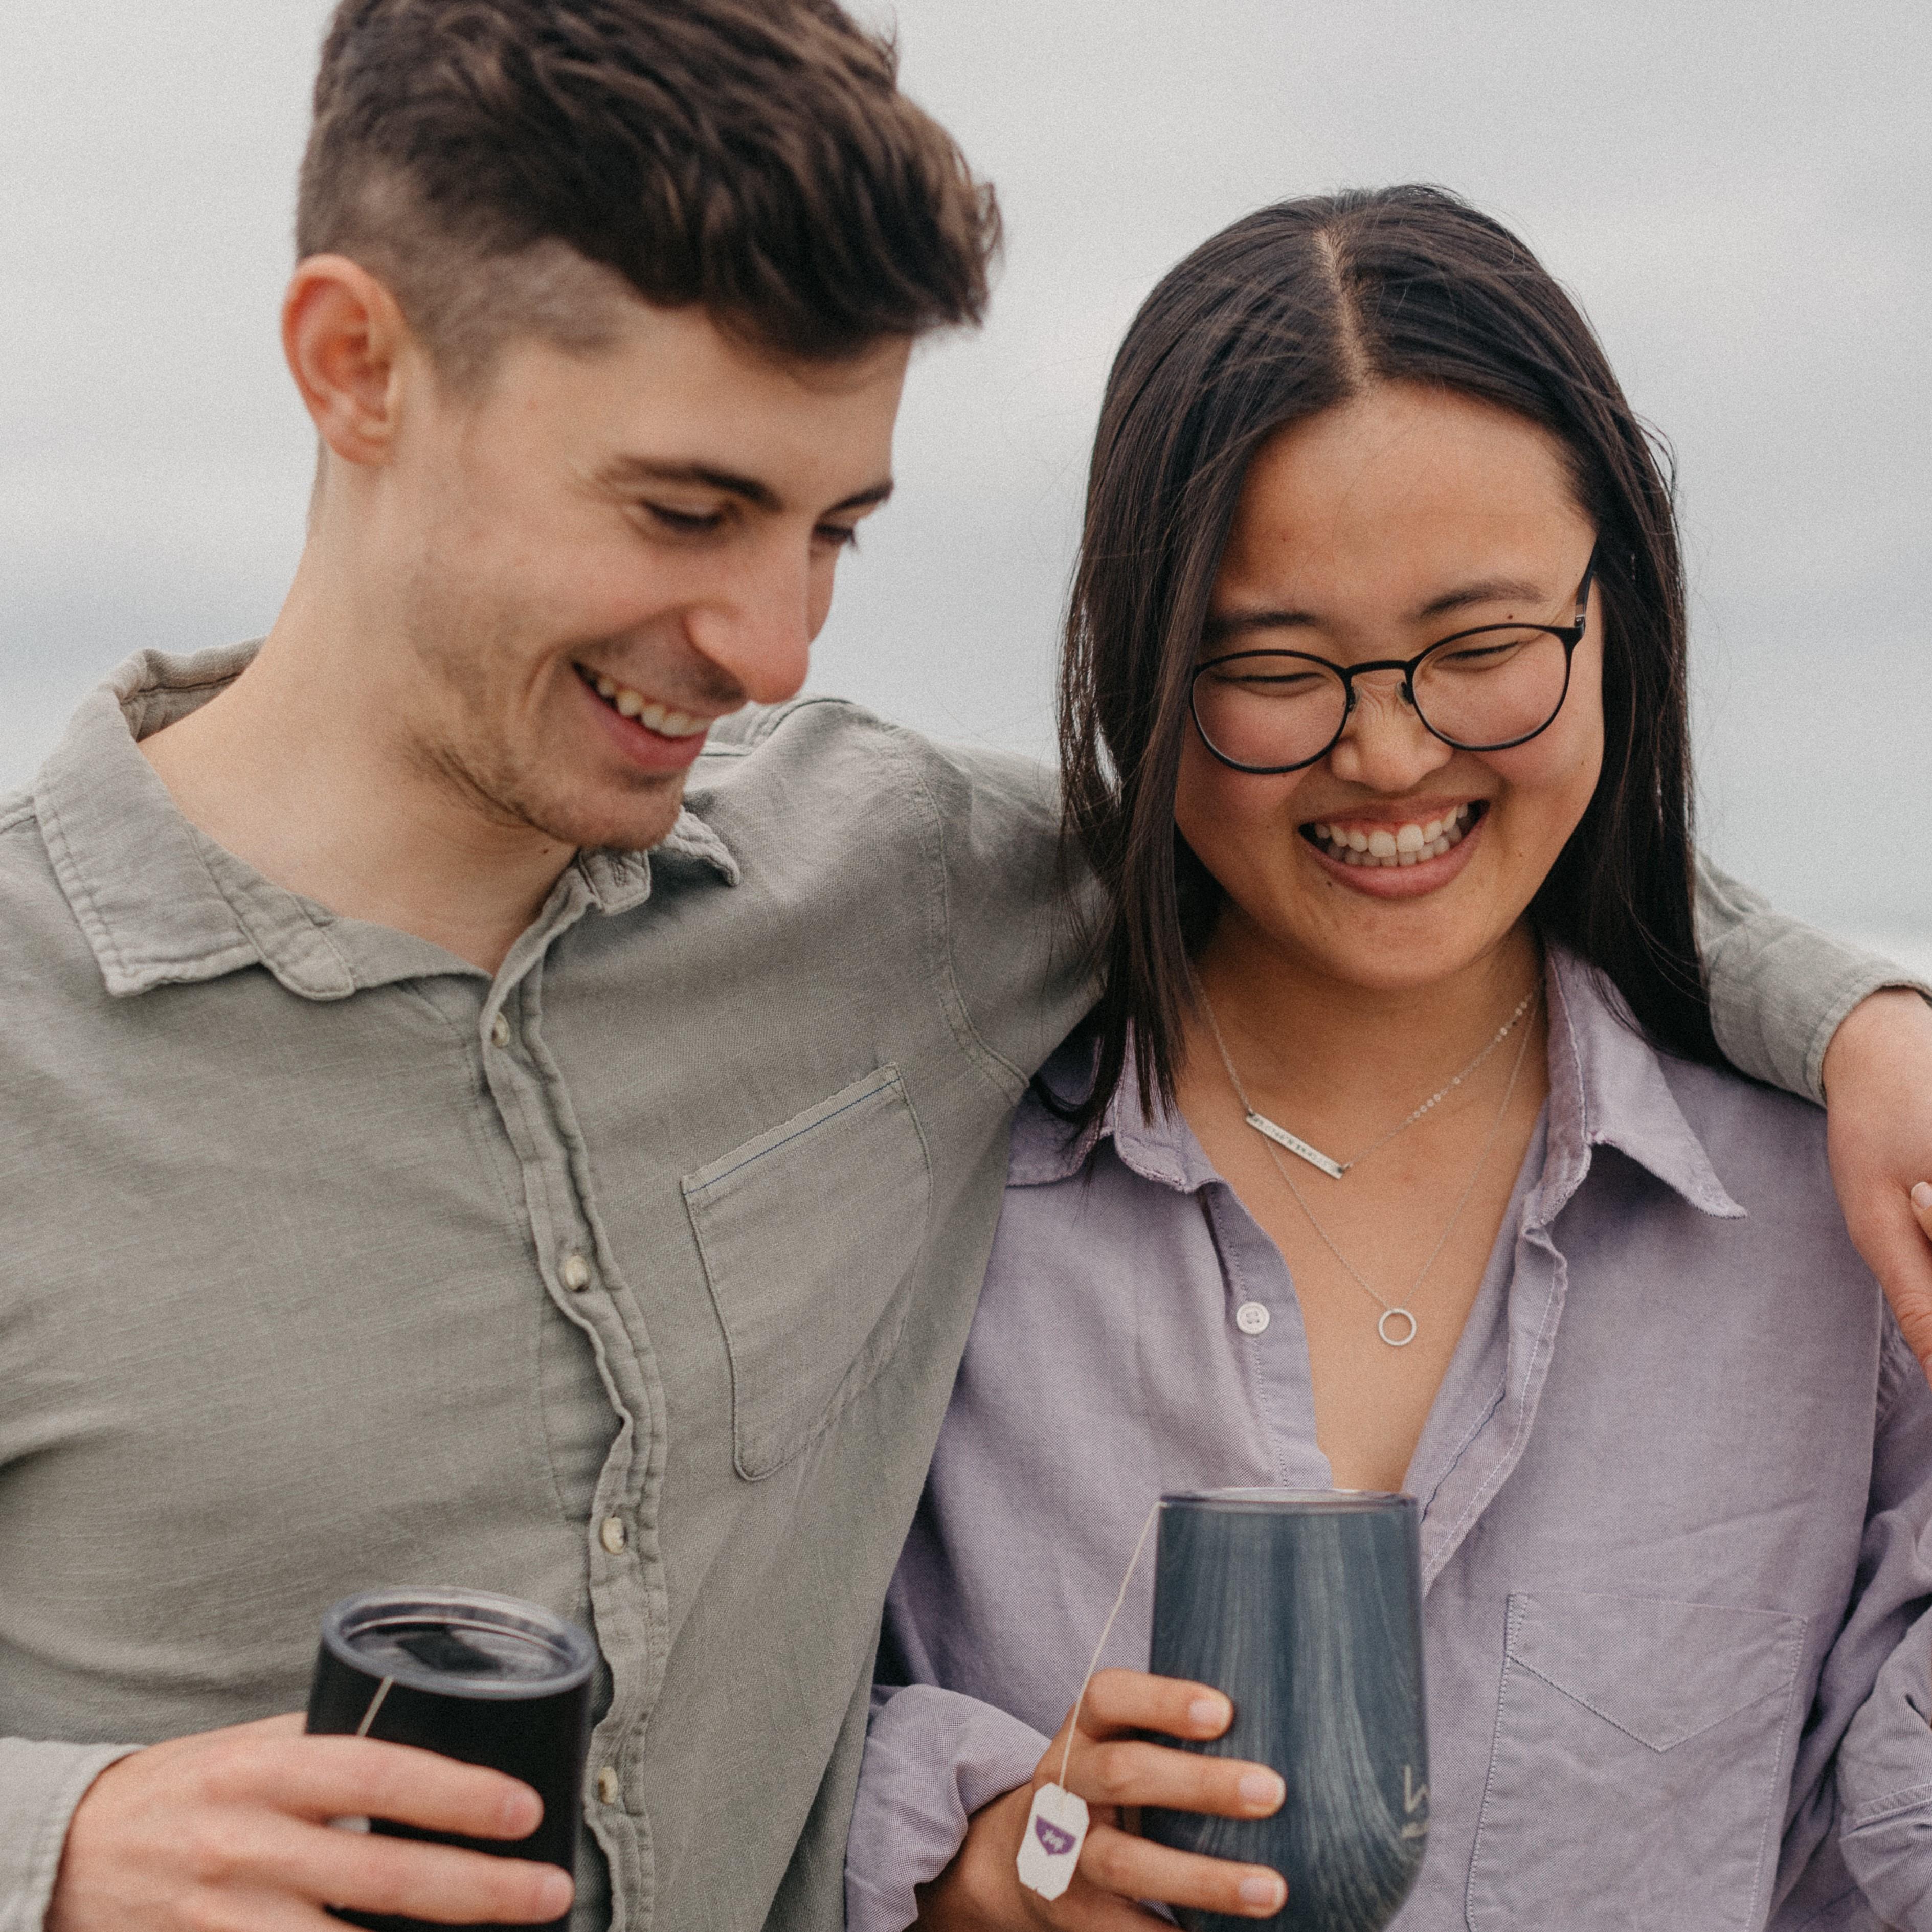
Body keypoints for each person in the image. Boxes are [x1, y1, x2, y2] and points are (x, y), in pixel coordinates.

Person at [0, 4, 1926, 1926]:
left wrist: (1857, 1017)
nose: (774, 646)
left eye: (835, 528)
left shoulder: (888, 890)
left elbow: (1372, 828)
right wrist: (54, 1847)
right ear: (355, 366)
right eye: (686, 509)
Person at [847, 188, 1932, 1931]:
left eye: (1485, 648)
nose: (1387, 748)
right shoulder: (925, 1187)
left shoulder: (1829, 1215)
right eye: (1270, 667)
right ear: (1139, 669)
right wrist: (974, 1866)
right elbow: (721, 1731)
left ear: (1617, 615)